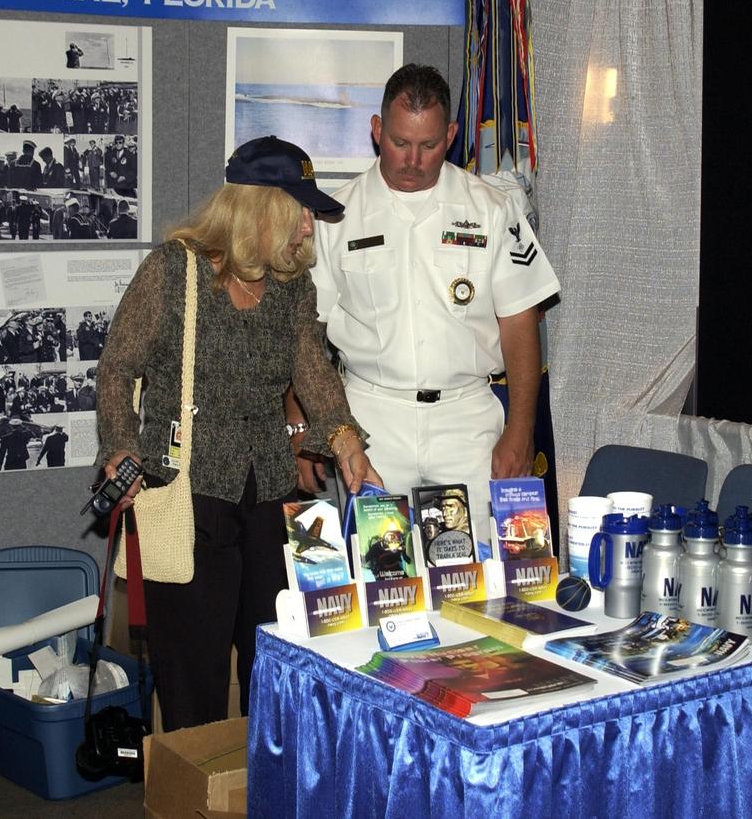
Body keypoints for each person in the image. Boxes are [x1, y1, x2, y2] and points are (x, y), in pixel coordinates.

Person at [96, 135, 381, 732]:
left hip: (271, 498)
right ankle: (193, 786)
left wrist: (346, 440)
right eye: (301, 210)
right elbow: (118, 366)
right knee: (193, 677)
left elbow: (312, 369)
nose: (309, 227)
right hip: (189, 494)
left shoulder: (289, 286)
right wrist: (120, 443)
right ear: (263, 208)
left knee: (275, 663)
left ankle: (263, 785)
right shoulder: (175, 269)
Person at [304, 64, 560, 547]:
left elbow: (520, 321)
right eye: (400, 142)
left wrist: (521, 429)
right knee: (381, 575)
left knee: (479, 571)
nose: (413, 160)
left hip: (465, 420)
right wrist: (304, 424)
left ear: (452, 135)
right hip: (370, 421)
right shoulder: (336, 216)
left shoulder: (491, 208)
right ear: (377, 131)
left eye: (429, 145)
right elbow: (305, 336)